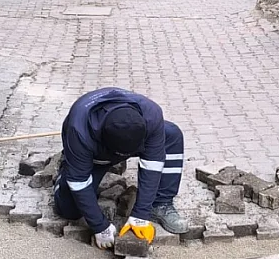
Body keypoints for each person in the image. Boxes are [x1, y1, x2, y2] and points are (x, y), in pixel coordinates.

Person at [53, 88, 187, 249]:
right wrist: (99, 226)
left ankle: (161, 203)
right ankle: (68, 167)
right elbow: (79, 182)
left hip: (126, 136)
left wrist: (140, 214)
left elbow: (152, 165)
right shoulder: (79, 131)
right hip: (95, 154)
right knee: (68, 210)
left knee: (172, 134)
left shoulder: (152, 115)